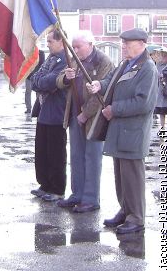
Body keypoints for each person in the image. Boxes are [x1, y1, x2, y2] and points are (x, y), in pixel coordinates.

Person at [86, 28, 158, 233]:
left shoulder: (148, 69)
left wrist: (115, 109)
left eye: (128, 43)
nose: (124, 46)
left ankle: (136, 217)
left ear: (142, 44)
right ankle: (125, 210)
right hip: (120, 130)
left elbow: (144, 103)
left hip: (133, 132)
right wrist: (100, 84)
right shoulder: (126, 64)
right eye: (123, 43)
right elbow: (113, 83)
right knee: (121, 174)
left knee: (133, 177)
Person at [56, 30, 113, 212]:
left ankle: (90, 199)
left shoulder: (103, 62)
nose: (75, 49)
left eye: (78, 46)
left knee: (92, 157)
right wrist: (66, 77)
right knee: (77, 156)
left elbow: (102, 93)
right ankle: (77, 194)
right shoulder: (74, 60)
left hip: (94, 119)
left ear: (90, 44)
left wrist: (86, 114)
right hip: (74, 116)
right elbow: (59, 81)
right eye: (73, 46)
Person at [30, 29, 67, 201]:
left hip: (56, 112)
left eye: (51, 41)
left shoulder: (65, 60)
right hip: (44, 110)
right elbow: (35, 79)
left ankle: (57, 189)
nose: (48, 43)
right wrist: (41, 83)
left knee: (55, 152)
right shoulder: (50, 59)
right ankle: (45, 184)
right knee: (42, 150)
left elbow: (51, 82)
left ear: (61, 42)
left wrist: (41, 83)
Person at [25, 49, 45, 114]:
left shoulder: (41, 53)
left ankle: (38, 108)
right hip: (28, 76)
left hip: (37, 76)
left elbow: (42, 65)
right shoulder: (27, 52)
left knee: (38, 93)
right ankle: (28, 109)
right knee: (28, 92)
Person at [154, 49, 167, 132]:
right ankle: (162, 129)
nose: (163, 57)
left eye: (165, 55)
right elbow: (155, 75)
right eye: (162, 55)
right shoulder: (158, 65)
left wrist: (164, 76)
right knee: (161, 112)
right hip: (160, 91)